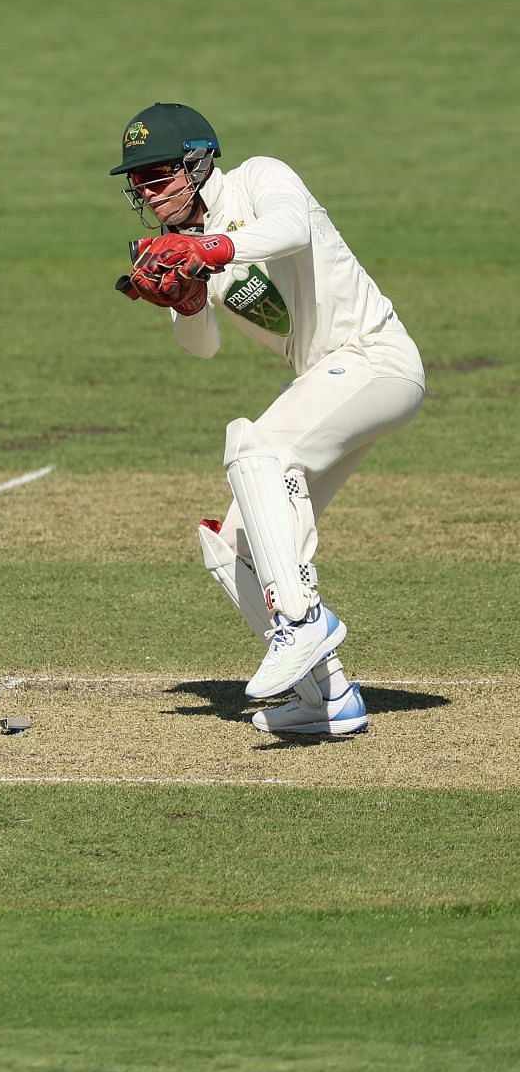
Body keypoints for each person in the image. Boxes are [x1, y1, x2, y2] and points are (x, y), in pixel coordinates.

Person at [112, 103, 424, 736]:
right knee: (231, 545)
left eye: (161, 174)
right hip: (327, 383)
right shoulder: (185, 253)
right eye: (139, 181)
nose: (148, 191)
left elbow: (291, 230)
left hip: (376, 357)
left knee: (252, 445)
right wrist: (191, 297)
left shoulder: (259, 180)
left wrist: (209, 250)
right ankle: (326, 698)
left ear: (199, 164)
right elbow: (201, 347)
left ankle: (304, 622)